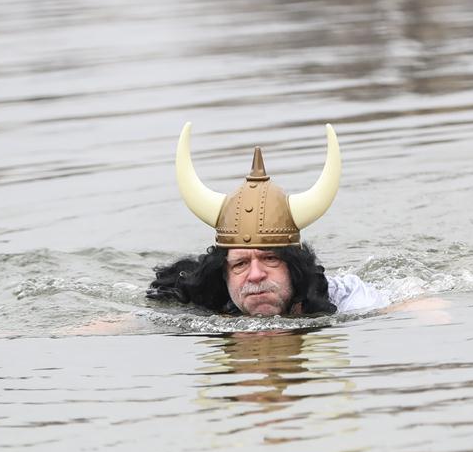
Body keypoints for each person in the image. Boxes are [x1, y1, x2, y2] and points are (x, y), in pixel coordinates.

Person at [147, 122, 389, 317]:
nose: (255, 275)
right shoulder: (198, 310)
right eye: (240, 264)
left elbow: (408, 308)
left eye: (270, 258)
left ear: (295, 270)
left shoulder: (349, 299)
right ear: (224, 275)